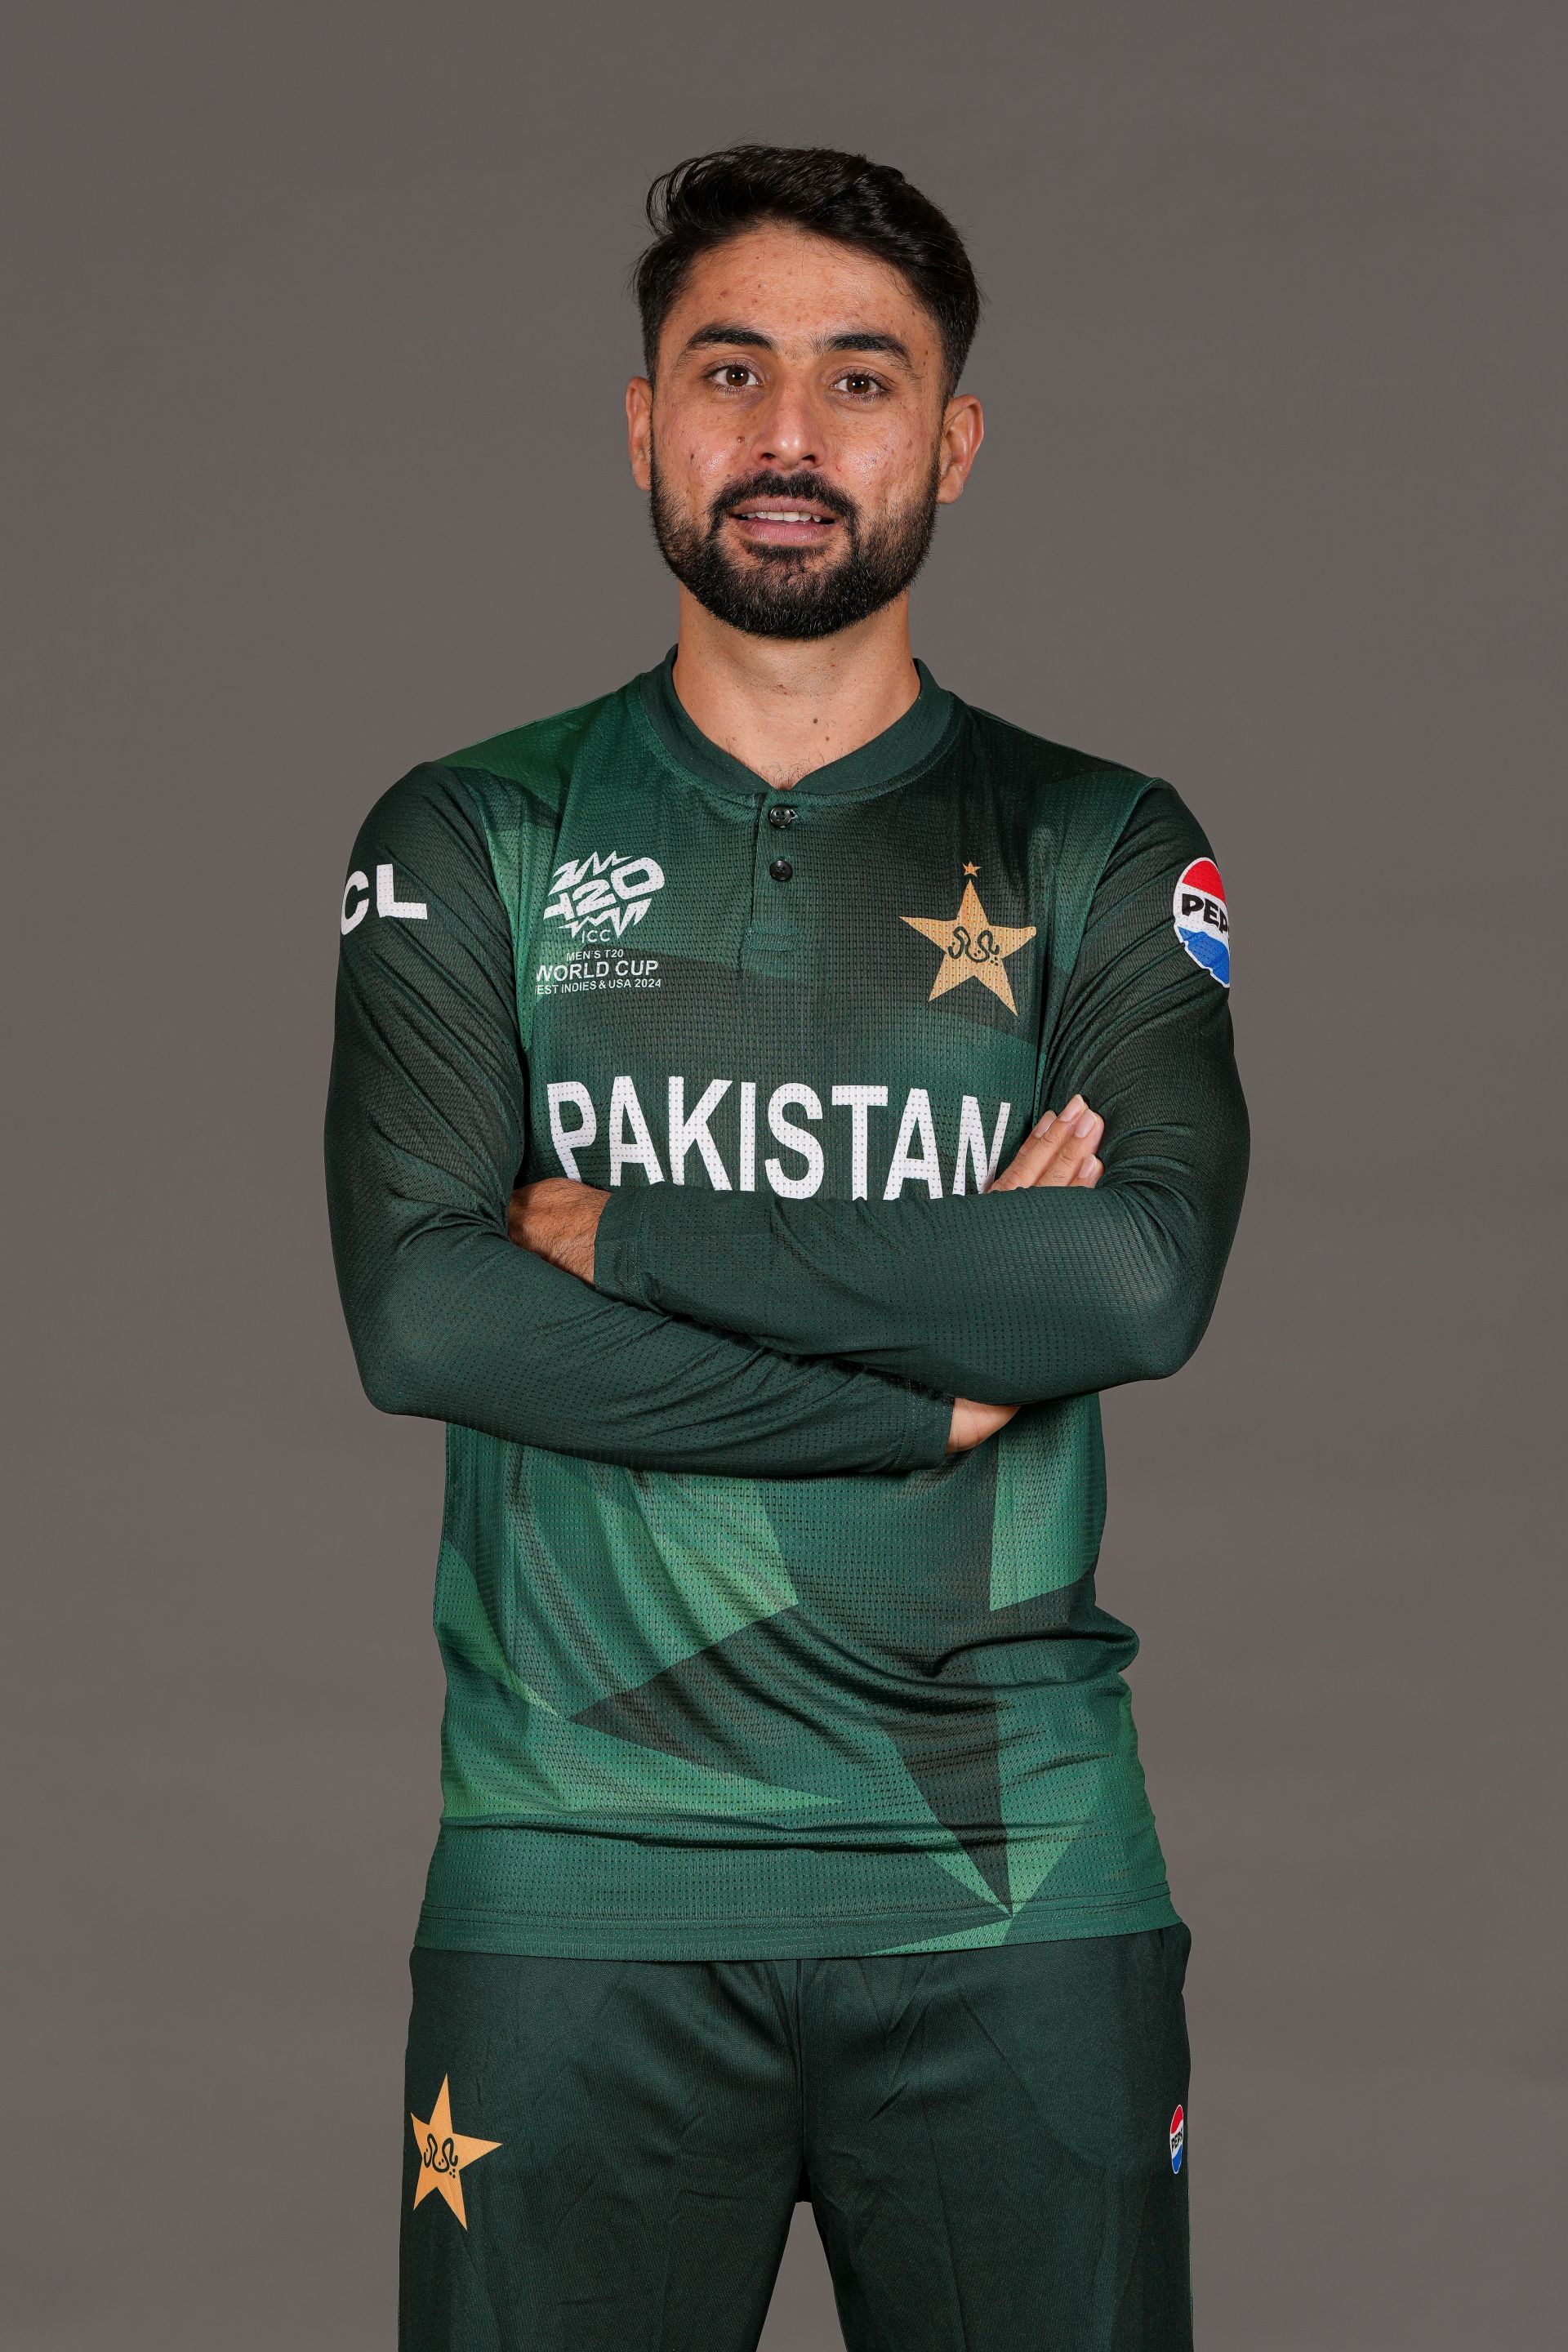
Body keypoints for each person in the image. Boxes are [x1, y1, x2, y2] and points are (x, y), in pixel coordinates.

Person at [325, 142, 1248, 2352]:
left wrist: (625, 1231)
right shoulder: (478, 836)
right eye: (729, 371)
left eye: (860, 380)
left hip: (1016, 1889)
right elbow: (427, 1309)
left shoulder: (1102, 843)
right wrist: (937, 1374)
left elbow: (1132, 1285)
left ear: (952, 441)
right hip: (578, 1883)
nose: (787, 437)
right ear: (643, 420)